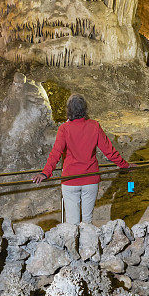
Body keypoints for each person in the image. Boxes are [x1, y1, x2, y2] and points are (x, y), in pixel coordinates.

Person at [32, 93, 135, 224]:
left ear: (69, 110)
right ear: (85, 109)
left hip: (70, 180)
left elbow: (55, 153)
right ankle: (88, 244)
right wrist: (125, 165)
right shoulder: (94, 126)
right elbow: (109, 151)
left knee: (72, 223)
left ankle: (74, 244)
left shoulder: (64, 128)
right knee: (87, 221)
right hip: (91, 179)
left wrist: (45, 173)